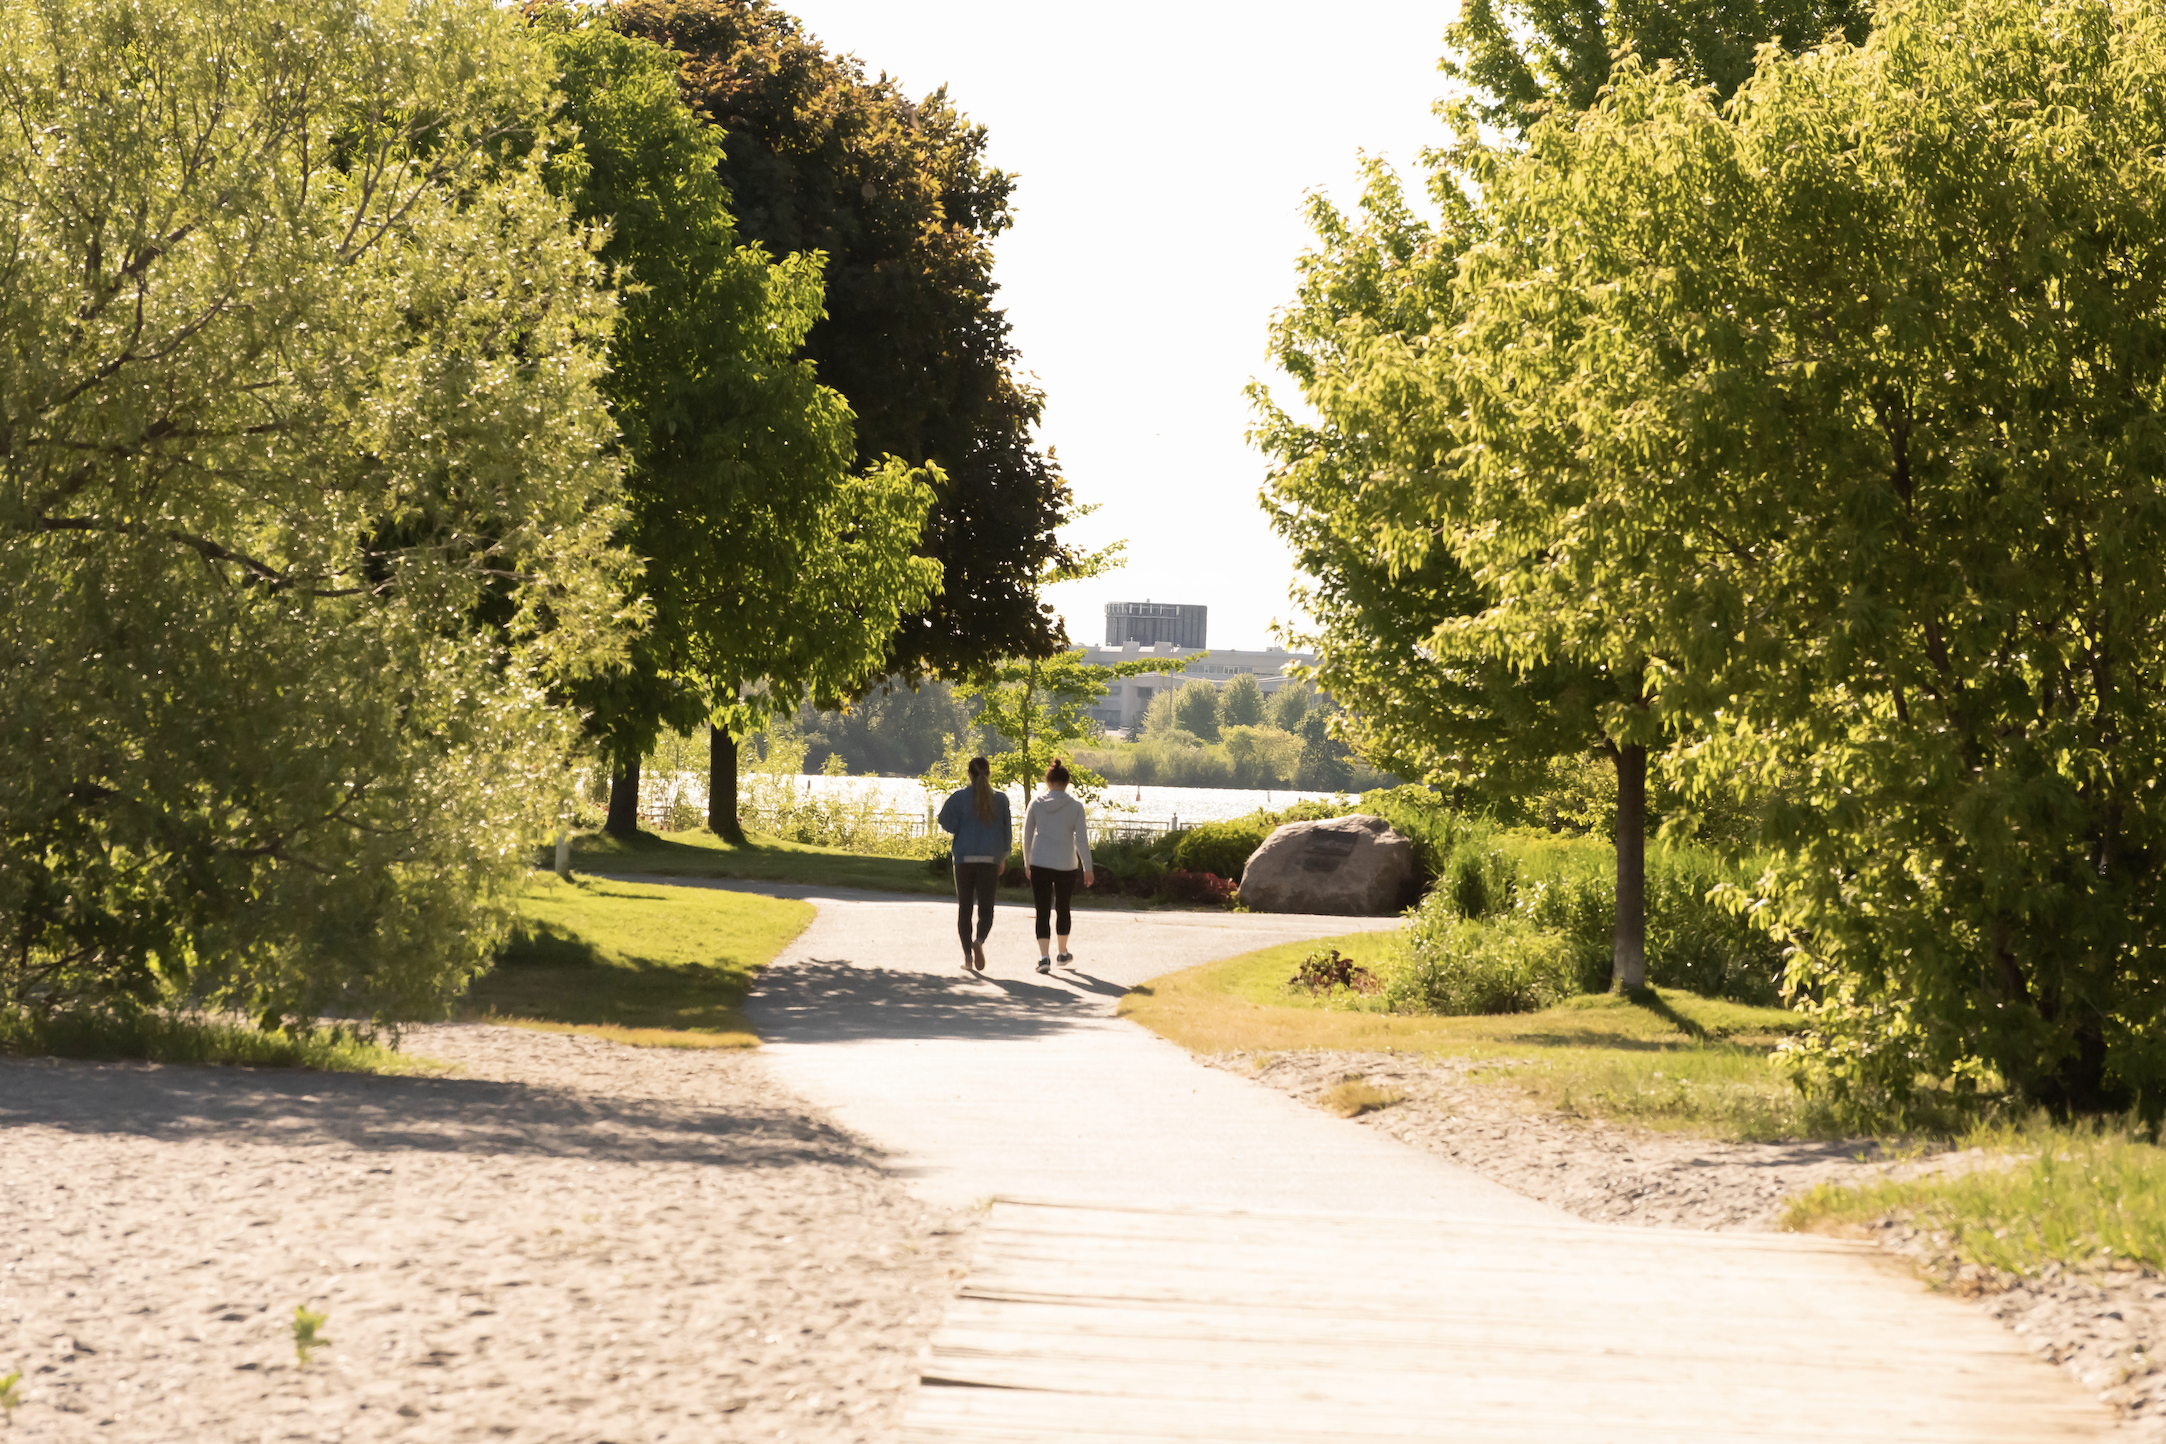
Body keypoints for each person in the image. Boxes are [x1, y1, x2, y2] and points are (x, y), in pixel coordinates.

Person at [937, 756, 1011, 973]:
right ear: (989, 773)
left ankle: (968, 956)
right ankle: (979, 939)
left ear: (969, 774)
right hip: (989, 858)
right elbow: (1007, 832)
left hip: (964, 858)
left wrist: (959, 828)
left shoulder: (959, 797)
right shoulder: (1001, 799)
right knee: (986, 909)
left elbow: (944, 821)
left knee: (965, 908)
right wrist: (1003, 856)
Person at [1022, 758, 1094, 974]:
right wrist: (1087, 867)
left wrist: (1027, 862)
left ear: (1048, 781)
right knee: (1063, 907)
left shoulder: (1035, 803)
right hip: (1066, 862)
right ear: (1067, 782)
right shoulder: (1075, 807)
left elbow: (1026, 836)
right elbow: (1081, 840)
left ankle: (1044, 957)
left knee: (1042, 909)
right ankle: (1062, 953)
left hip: (1040, 861)